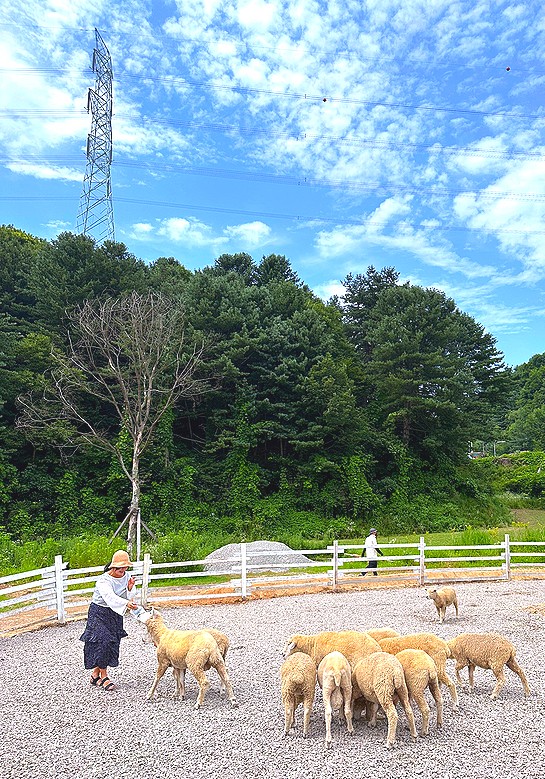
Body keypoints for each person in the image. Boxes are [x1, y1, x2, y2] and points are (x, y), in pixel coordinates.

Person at [79, 549, 140, 691]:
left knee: (112, 642)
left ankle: (95, 674)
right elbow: (109, 596)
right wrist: (126, 603)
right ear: (113, 567)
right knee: (102, 641)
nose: (123, 571)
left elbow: (130, 593)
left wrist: (130, 589)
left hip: (115, 612)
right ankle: (104, 676)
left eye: (125, 568)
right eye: (120, 568)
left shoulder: (126, 576)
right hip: (99, 612)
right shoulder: (103, 580)